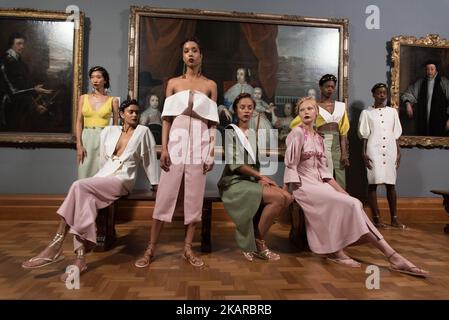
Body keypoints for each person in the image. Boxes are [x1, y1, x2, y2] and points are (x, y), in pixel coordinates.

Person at [283, 97, 428, 277]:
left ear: (316, 113)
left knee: (354, 203)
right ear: (299, 114)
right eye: (302, 110)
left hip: (320, 184)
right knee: (351, 205)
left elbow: (325, 174)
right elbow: (290, 165)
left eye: (310, 109)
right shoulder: (296, 134)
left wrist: (343, 192)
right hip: (304, 186)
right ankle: (343, 251)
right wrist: (286, 192)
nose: (306, 112)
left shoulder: (319, 138)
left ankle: (391, 255)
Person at [22, 99, 159, 280]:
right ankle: (80, 259)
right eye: (131, 111)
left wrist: (156, 184)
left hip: (123, 180)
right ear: (122, 114)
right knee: (84, 202)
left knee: (78, 185)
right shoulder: (109, 131)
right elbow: (103, 160)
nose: (135, 115)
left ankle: (56, 243)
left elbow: (149, 158)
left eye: (137, 112)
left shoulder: (143, 132)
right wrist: (98, 180)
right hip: (103, 178)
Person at [135, 37, 219, 269]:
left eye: (194, 50)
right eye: (186, 51)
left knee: (194, 196)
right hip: (177, 140)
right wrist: (164, 149)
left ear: (201, 55)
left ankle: (188, 248)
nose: (190, 54)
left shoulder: (210, 85)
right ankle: (150, 248)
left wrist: (210, 152)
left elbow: (212, 123)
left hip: (200, 141)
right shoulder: (172, 83)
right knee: (165, 194)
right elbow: (166, 119)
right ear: (182, 56)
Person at [218, 93, 292, 261]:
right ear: (236, 110)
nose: (246, 111)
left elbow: (254, 163)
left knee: (287, 197)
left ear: (253, 111)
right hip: (233, 183)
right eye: (242, 107)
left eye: (250, 107)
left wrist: (259, 178)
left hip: (250, 181)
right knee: (278, 199)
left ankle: (254, 241)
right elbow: (235, 164)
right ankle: (259, 244)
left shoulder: (253, 133)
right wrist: (261, 177)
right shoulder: (230, 131)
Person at [290, 74, 350, 188]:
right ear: (321, 87)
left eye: (332, 87)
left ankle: (342, 202)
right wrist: (314, 132)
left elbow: (344, 131)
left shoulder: (340, 106)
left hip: (337, 144)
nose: (330, 89)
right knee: (323, 173)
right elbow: (295, 124)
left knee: (340, 173)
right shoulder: (313, 106)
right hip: (320, 143)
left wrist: (344, 153)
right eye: (327, 86)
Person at [359, 83, 405, 229]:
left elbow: (395, 134)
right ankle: (377, 219)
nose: (382, 95)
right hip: (373, 150)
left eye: (384, 93)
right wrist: (363, 153)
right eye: (379, 93)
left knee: (391, 184)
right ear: (373, 95)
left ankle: (394, 219)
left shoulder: (392, 112)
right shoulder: (367, 113)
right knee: (373, 183)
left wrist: (398, 151)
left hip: (390, 149)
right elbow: (364, 135)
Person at [0, 32, 54, 131]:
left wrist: (36, 104)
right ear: (11, 44)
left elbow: (25, 84)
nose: (22, 46)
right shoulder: (5, 61)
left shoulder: (20, 62)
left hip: (22, 103)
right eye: (19, 43)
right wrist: (34, 90)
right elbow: (12, 90)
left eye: (23, 44)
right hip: (10, 105)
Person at [76, 66, 119, 179]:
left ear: (105, 80)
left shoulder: (113, 100)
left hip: (104, 138)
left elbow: (115, 127)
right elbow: (79, 122)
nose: (95, 80)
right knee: (84, 173)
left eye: (99, 77)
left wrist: (112, 147)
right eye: (92, 77)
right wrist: (79, 145)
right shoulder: (83, 98)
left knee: (101, 174)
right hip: (87, 138)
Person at [401, 60, 449, 136]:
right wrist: (408, 104)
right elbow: (408, 93)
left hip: (441, 120)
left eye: (432, 69)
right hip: (423, 119)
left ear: (436, 70)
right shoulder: (421, 82)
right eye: (427, 69)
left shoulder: (444, 82)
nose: (429, 72)